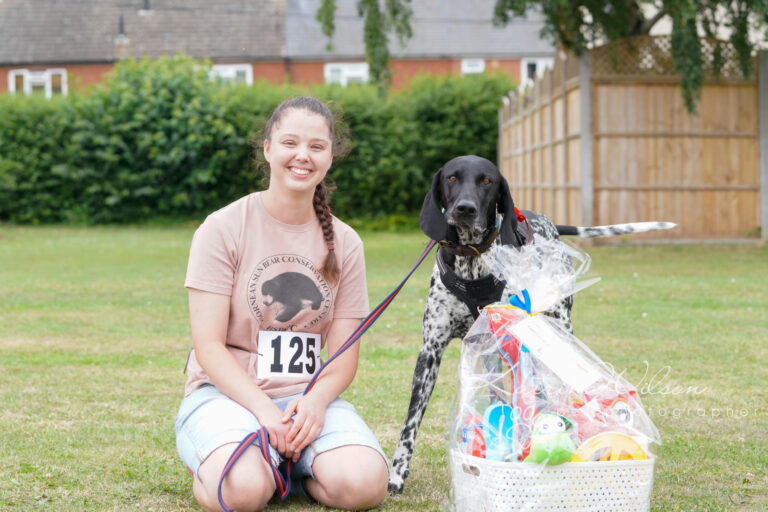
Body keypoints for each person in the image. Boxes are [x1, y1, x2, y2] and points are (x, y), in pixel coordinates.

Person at [175, 96, 389, 512]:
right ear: (268, 148)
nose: (302, 156)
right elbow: (209, 348)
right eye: (290, 142)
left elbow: (343, 358)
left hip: (302, 403)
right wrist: (262, 411)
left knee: (364, 485)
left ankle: (290, 465)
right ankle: (223, 462)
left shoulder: (345, 243)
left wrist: (314, 403)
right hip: (226, 397)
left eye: (316, 146)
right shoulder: (222, 228)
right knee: (243, 493)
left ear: (330, 156)